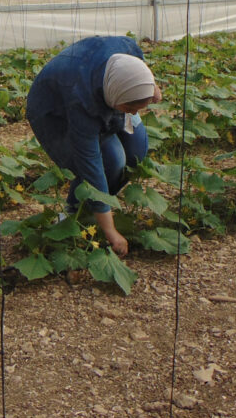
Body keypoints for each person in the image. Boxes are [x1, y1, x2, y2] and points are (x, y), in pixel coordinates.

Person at [25, 35, 162, 257]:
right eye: (130, 107)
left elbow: (136, 57)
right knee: (112, 161)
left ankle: (97, 205)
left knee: (137, 149)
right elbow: (91, 163)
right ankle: (74, 213)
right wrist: (111, 233)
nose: (135, 113)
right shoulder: (80, 101)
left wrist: (150, 86)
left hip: (105, 85)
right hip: (55, 110)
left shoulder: (123, 53)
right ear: (116, 96)